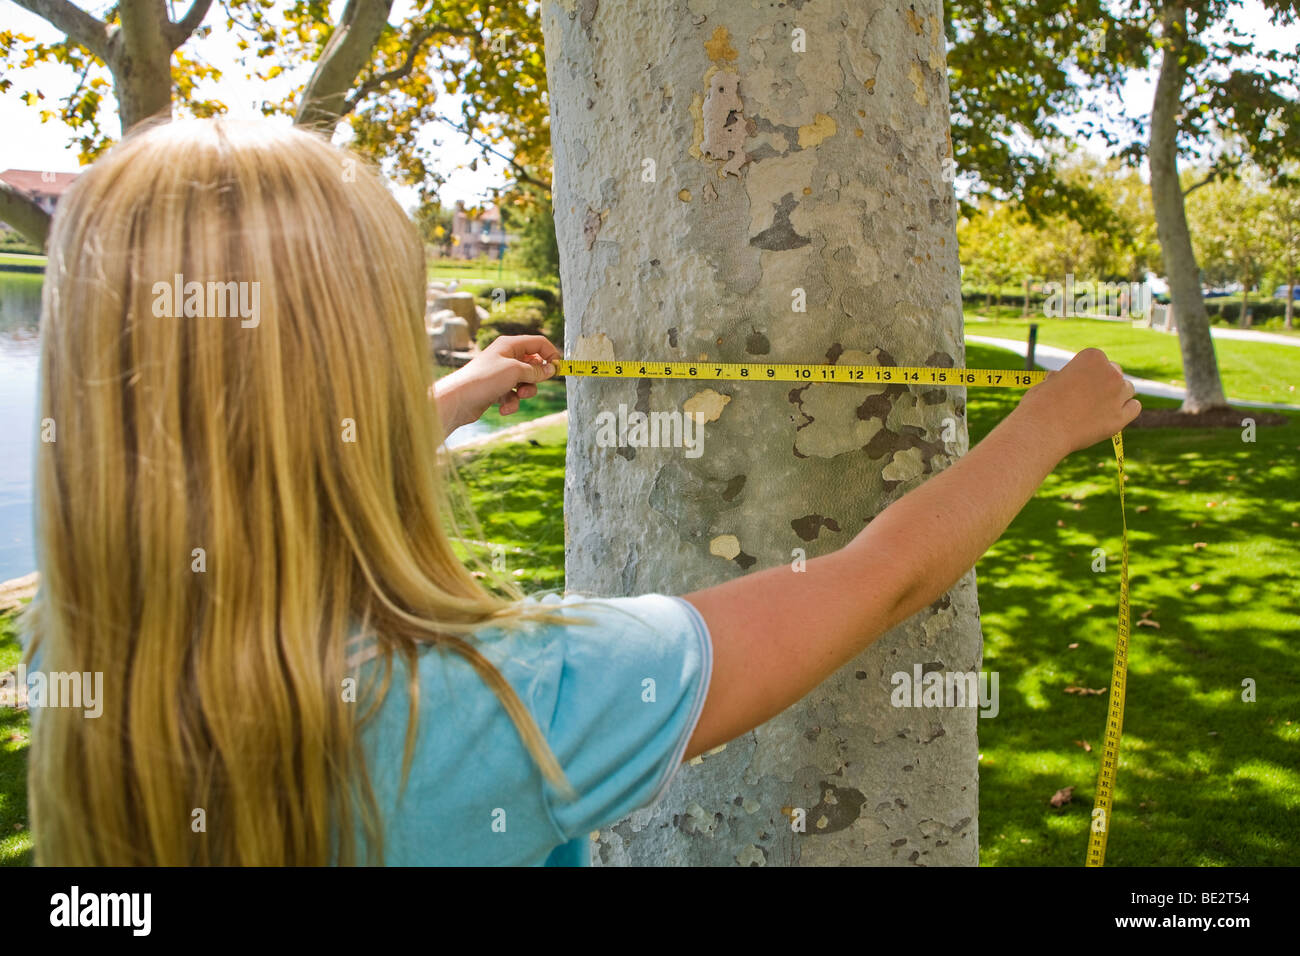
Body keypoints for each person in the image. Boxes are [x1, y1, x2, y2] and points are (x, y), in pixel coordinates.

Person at [23, 118, 1139, 866]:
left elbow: (255, 467)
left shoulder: (85, 647)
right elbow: (878, 579)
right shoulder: (498, 706)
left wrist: (460, 391)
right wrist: (1048, 424)